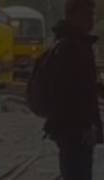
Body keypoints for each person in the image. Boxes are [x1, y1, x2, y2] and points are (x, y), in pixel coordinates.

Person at [43, 0, 103, 179]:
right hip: (76, 133)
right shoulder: (72, 47)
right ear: (73, 15)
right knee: (78, 172)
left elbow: (82, 86)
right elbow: (72, 93)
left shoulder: (69, 44)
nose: (91, 18)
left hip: (73, 131)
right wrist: (86, 127)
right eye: (88, 13)